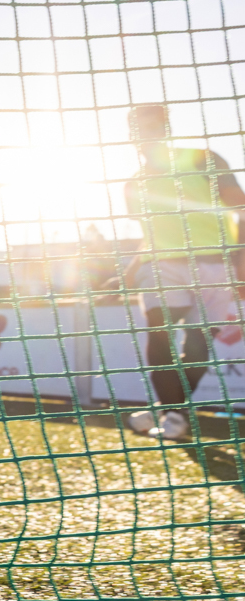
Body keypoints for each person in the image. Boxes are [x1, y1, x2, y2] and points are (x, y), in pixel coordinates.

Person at [122, 104, 245, 442]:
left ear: (166, 128)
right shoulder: (134, 183)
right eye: (139, 129)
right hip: (161, 265)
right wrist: (133, 266)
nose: (146, 135)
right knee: (158, 330)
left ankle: (168, 409)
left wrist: (241, 259)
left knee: (198, 340)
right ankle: (173, 415)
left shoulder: (203, 158)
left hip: (214, 263)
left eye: (153, 127)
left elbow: (241, 207)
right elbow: (152, 231)